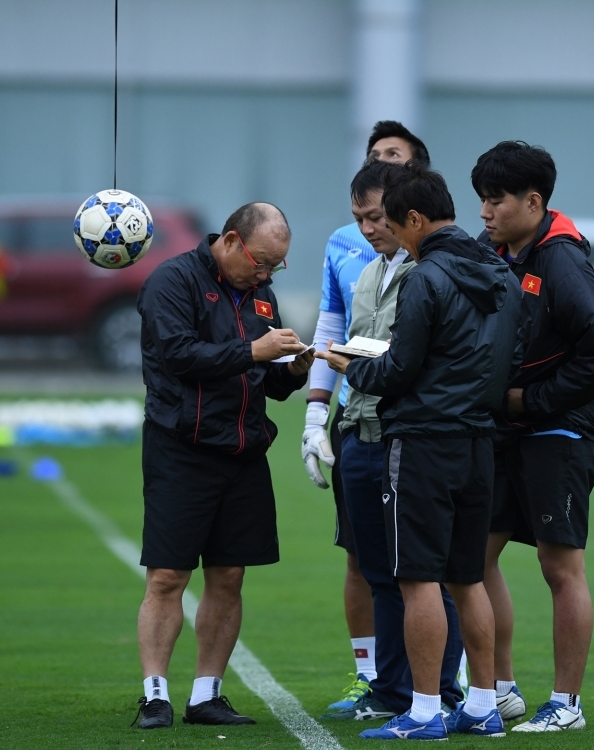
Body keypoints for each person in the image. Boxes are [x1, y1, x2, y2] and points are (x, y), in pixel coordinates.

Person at [319, 162, 521, 741]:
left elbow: (398, 370)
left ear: (414, 219)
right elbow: (509, 356)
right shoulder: (501, 272)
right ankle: (482, 705)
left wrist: (349, 365)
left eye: (391, 224)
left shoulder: (424, 277)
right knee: (468, 578)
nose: (387, 236)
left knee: (417, 580)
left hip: (423, 442)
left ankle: (425, 710)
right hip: (480, 442)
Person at [132, 202, 315, 729]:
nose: (266, 275)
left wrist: (294, 371)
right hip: (181, 450)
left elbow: (268, 381)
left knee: (230, 575)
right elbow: (179, 356)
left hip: (244, 451)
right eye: (262, 262)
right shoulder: (172, 281)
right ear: (232, 241)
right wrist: (254, 350)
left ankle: (206, 695)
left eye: (276, 266)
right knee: (168, 576)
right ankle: (155, 696)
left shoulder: (262, 295)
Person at [472, 141, 594, 732]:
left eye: (496, 201)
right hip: (502, 432)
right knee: (473, 557)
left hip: (557, 431)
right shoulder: (492, 250)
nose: (485, 212)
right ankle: (500, 689)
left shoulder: (562, 260)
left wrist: (533, 400)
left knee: (560, 566)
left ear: (533, 202)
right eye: (481, 200)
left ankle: (566, 704)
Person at [301, 121, 435, 713]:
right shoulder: (349, 247)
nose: (366, 227)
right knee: (365, 559)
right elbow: (333, 324)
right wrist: (315, 413)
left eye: (395, 157)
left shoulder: (436, 254)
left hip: (411, 424)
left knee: (429, 566)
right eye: (375, 155)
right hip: (358, 418)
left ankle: (450, 684)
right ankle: (375, 679)